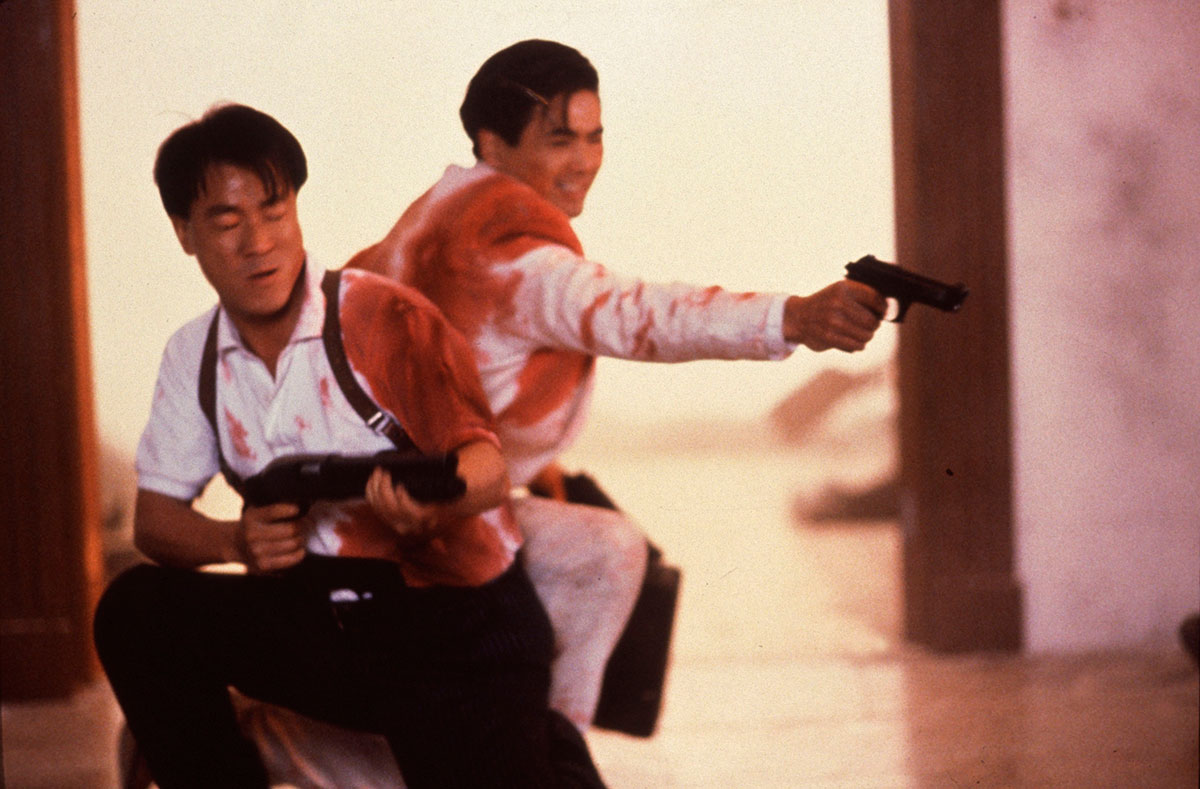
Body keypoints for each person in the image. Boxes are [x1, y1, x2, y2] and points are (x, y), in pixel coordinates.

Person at [349, 38, 888, 725]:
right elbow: (644, 316)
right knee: (608, 551)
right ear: (492, 144)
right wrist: (796, 317)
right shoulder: (509, 260)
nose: (584, 161)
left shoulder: (417, 228)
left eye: (594, 137)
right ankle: (553, 748)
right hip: (405, 533)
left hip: (382, 512)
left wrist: (527, 463)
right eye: (559, 140)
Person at [93, 103, 605, 789]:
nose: (258, 243)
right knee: (136, 612)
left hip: (457, 627)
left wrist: (438, 507)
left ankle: (539, 744)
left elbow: (486, 465)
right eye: (227, 221)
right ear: (186, 232)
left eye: (274, 211)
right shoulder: (194, 355)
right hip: (326, 622)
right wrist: (233, 542)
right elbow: (154, 522)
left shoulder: (382, 315)